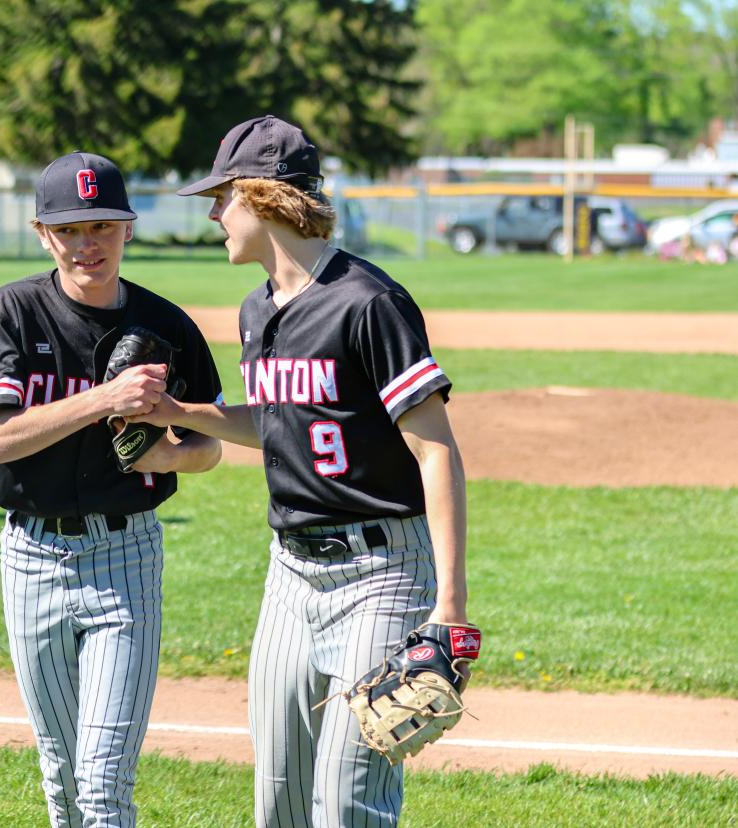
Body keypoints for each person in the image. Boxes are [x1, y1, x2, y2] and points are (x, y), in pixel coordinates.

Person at [146, 115, 471, 827]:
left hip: (382, 571)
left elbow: (435, 450)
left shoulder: (369, 302)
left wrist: (449, 609)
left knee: (348, 802)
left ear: (262, 198)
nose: (212, 212)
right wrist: (182, 412)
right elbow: (275, 422)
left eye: (222, 196)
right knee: (281, 800)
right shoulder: (256, 308)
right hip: (290, 576)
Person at [0, 151, 224, 827]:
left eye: (103, 226)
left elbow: (209, 448)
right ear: (43, 233)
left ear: (127, 230)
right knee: (61, 772)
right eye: (71, 229)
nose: (88, 244)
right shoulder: (14, 312)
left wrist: (167, 446)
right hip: (30, 558)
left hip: (125, 558)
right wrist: (102, 400)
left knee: (103, 782)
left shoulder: (168, 327)